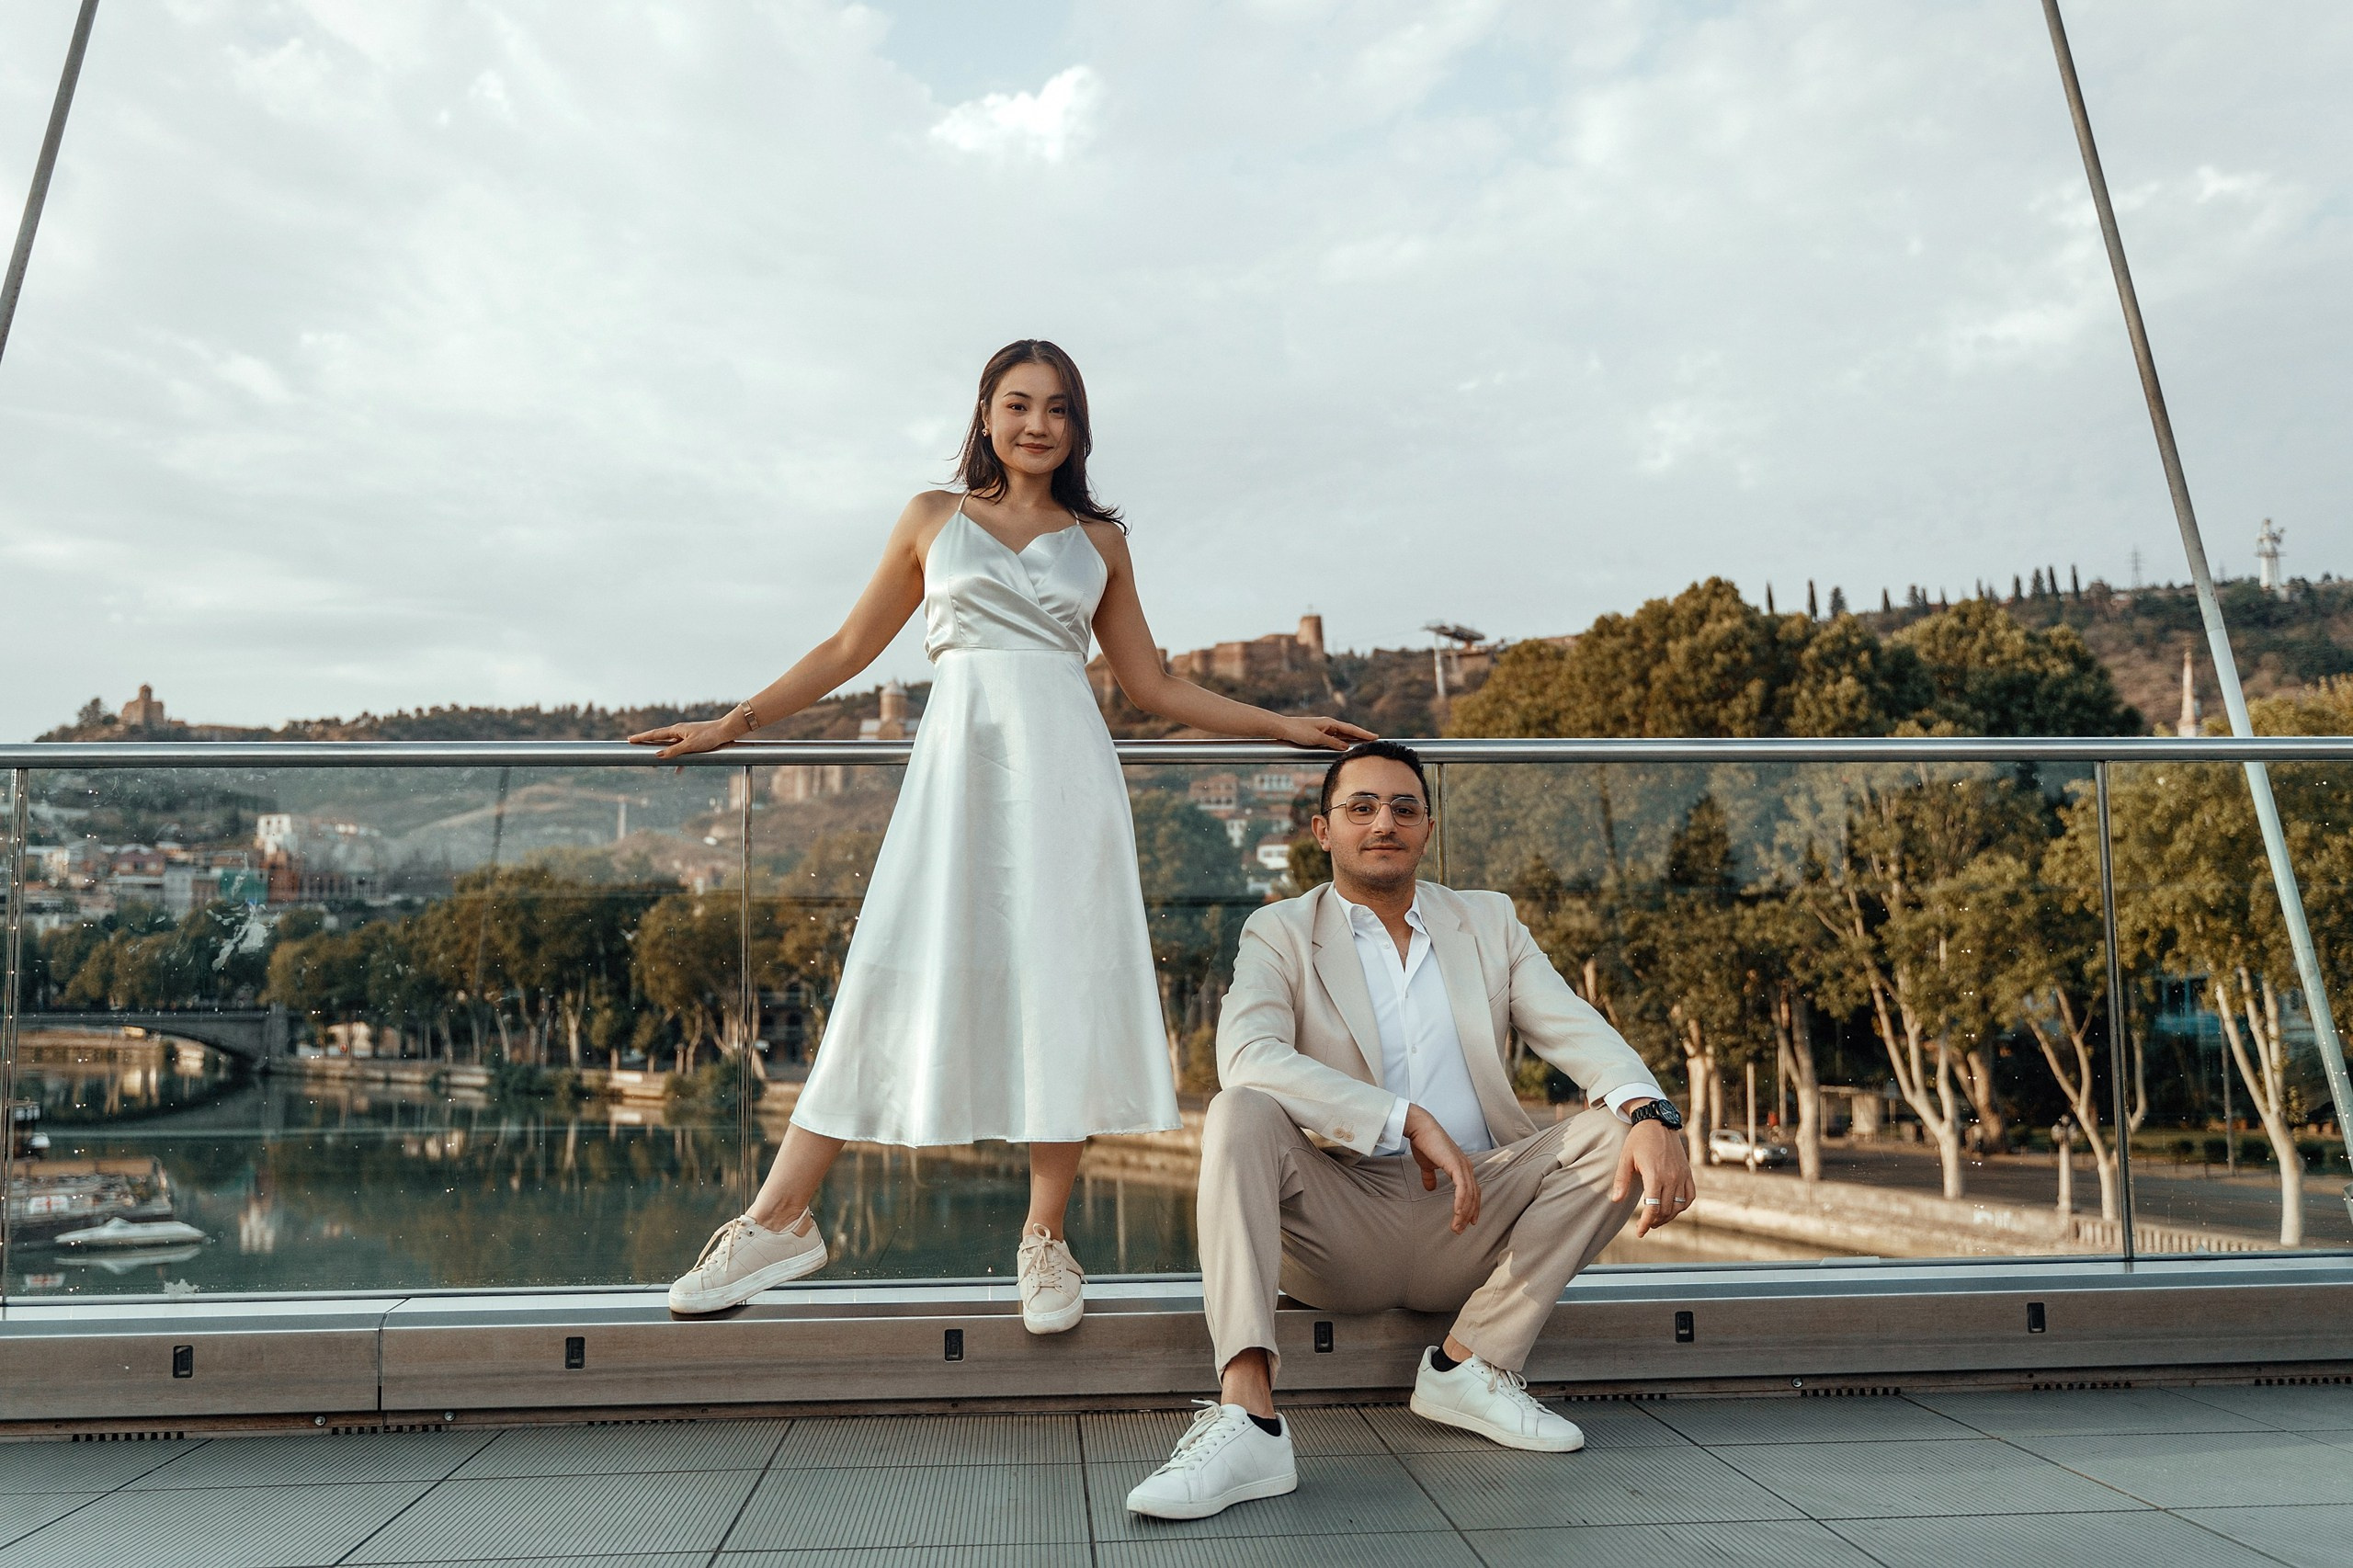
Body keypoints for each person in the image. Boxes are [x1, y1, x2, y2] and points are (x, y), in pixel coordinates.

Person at [633, 340, 1371, 1333]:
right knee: (889, 969)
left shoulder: (1098, 540)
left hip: (1069, 781)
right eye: (1017, 404)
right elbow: (849, 648)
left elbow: (1150, 684)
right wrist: (736, 722)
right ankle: (779, 1217)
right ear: (984, 414)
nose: (1036, 424)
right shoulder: (931, 518)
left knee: (1057, 984)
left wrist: (1281, 725)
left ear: (1076, 427)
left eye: (1057, 408)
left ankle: (1045, 1236)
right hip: (957, 775)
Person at [1126, 739, 1698, 1520]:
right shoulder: (1279, 930)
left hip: (1475, 1212)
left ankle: (1470, 1365)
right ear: (1323, 831)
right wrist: (1398, 1117)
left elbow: (1574, 1029)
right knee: (1239, 1113)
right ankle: (1248, 1417)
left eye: (1403, 807)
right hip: (1340, 1220)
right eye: (1360, 807)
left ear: (1427, 828)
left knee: (1610, 1131)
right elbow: (1247, 1057)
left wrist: (1652, 1112)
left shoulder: (1488, 921)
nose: (1383, 822)